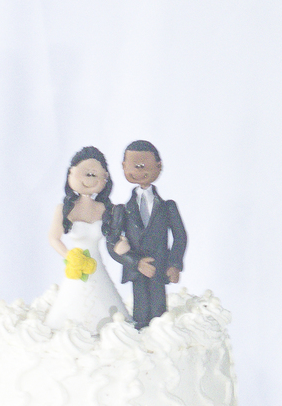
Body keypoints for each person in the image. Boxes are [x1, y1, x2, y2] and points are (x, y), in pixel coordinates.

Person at [44, 145, 128, 331]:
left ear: (105, 178)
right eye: (87, 174)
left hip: (96, 264)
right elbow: (54, 238)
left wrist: (122, 242)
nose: (91, 179)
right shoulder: (64, 209)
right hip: (76, 265)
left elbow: (115, 236)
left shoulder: (106, 209)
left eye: (96, 175)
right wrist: (69, 256)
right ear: (71, 173)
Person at [109, 140, 187, 329]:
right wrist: (135, 262)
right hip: (137, 271)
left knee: (160, 315)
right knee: (141, 313)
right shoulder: (123, 210)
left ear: (159, 166)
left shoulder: (168, 207)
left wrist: (174, 264)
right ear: (123, 166)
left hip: (160, 268)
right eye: (134, 165)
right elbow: (111, 244)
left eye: (144, 165)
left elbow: (180, 236)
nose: (139, 169)